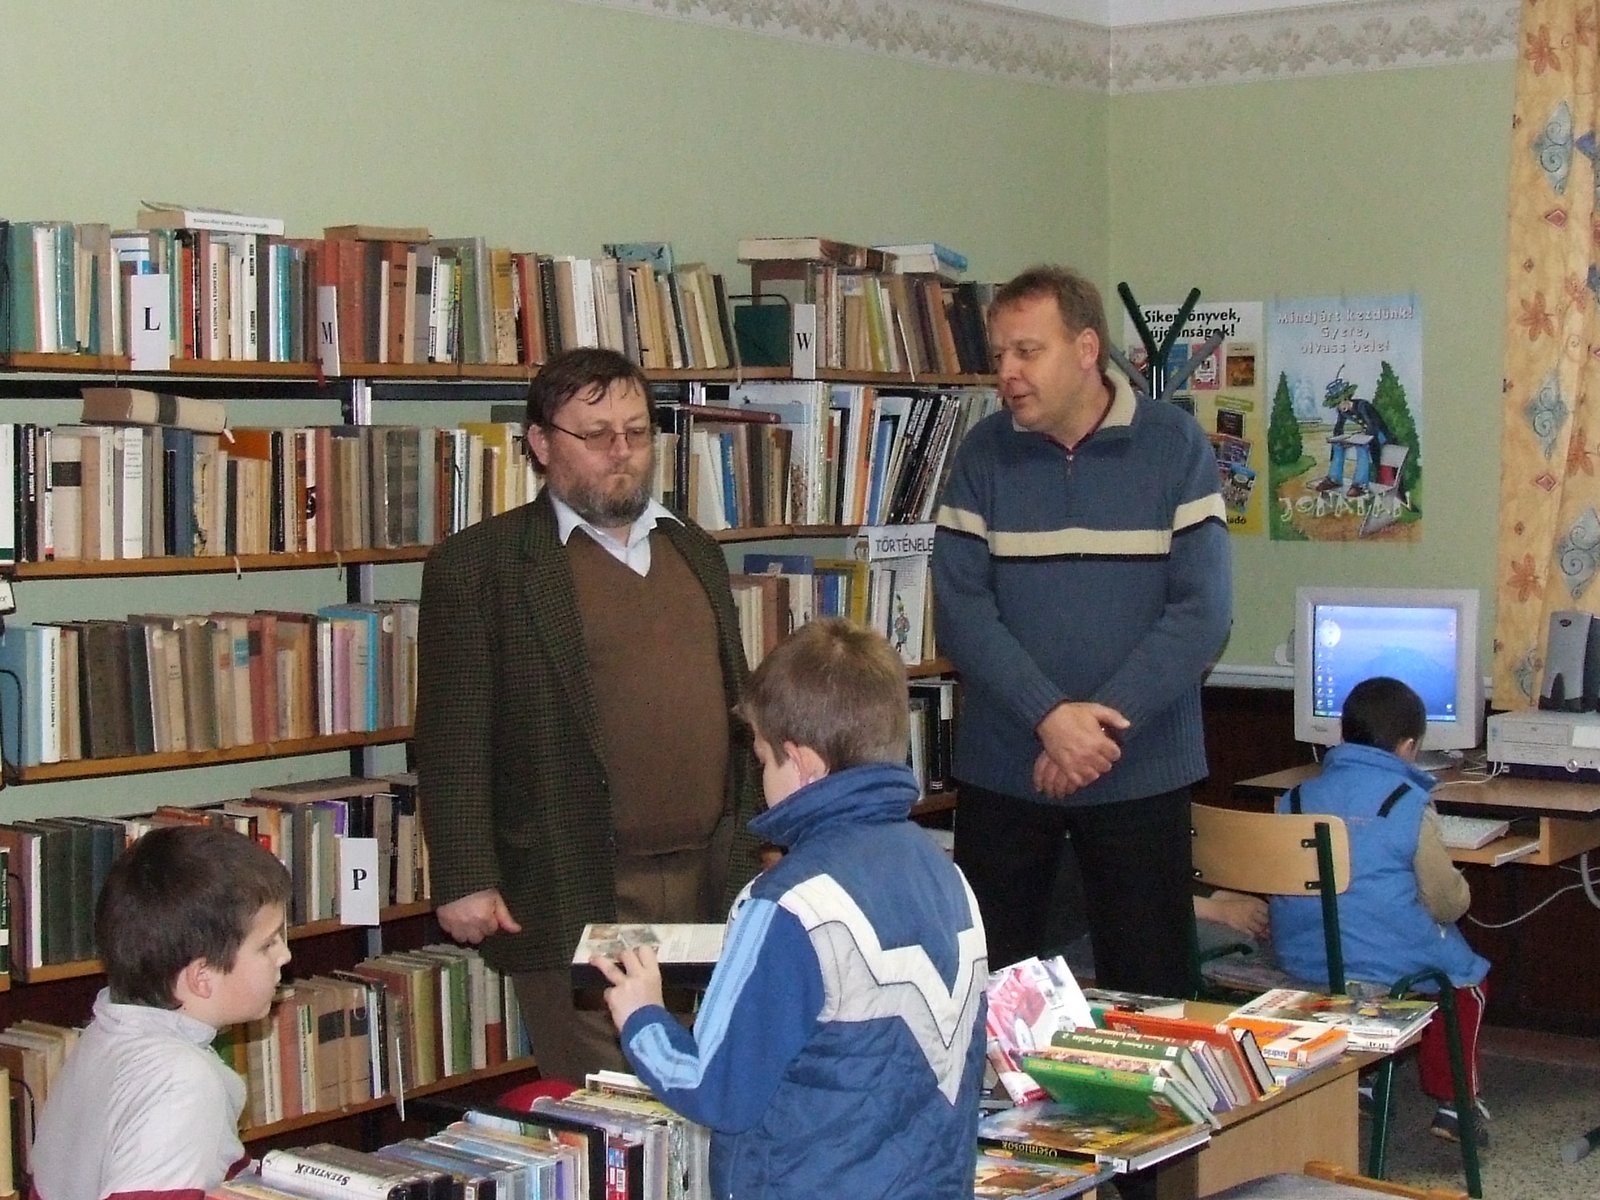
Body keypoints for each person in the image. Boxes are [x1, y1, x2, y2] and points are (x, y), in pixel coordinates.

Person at [414, 346, 763, 1085]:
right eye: (597, 434)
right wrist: (465, 874)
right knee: (611, 1102)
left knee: (705, 1081)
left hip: (707, 878)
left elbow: (737, 714)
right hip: (580, 878)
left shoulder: (694, 550)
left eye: (637, 432)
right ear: (542, 444)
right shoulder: (482, 567)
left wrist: (765, 838)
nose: (622, 452)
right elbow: (452, 737)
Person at [592, 619, 988, 1200]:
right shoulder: (949, 877)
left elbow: (716, 1088)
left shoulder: (787, 903)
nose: (760, 777)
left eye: (761, 759)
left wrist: (642, 1016)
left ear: (802, 764)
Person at [931, 264, 1232, 996]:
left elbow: (1202, 612)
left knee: (1153, 998)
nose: (1007, 372)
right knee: (994, 995)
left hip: (1140, 770)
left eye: (1027, 351)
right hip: (1008, 772)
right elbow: (962, 612)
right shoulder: (982, 455)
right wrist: (1049, 718)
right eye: (1000, 354)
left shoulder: (1174, 446)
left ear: (1087, 348)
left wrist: (1095, 731)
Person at [1271, 675, 1491, 1145]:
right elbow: (1445, 901)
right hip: (1387, 964)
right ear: (1409, 747)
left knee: (1356, 944)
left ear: (1343, 734)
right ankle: (1455, 1105)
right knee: (1465, 979)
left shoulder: (1294, 799)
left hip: (1304, 957)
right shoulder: (1407, 802)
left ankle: (1365, 1082)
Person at [30, 825, 292, 1200]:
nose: (284, 955)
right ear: (202, 977)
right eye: (267, 944)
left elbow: (209, 1164)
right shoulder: (181, 1083)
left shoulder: (106, 1034)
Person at [1311, 371, 1392, 498]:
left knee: (1362, 446)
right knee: (1339, 445)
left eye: (1340, 403)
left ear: (1345, 399)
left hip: (1379, 436)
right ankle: (1334, 479)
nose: (1339, 407)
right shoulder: (1343, 411)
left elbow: (1372, 426)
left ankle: (1360, 484)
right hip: (1366, 434)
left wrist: (1360, 437)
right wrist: (1338, 439)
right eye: (1336, 405)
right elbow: (1339, 427)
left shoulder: (1362, 406)